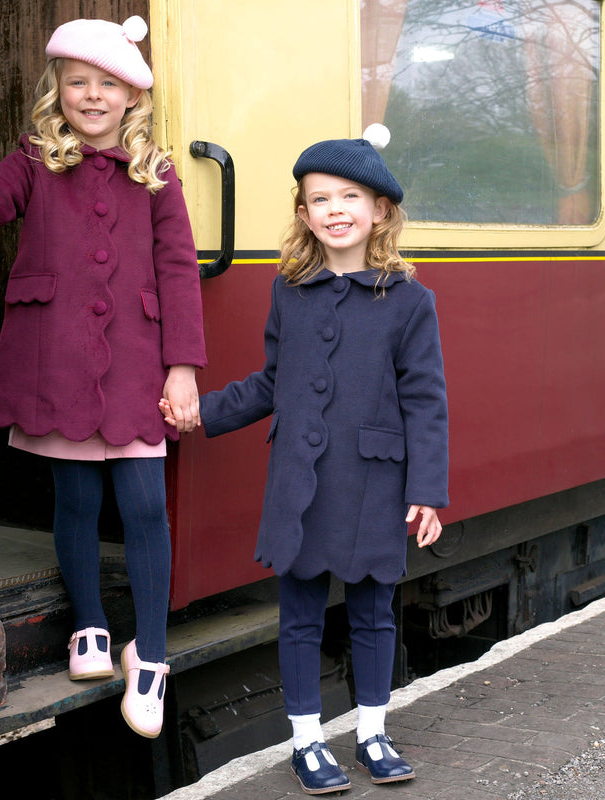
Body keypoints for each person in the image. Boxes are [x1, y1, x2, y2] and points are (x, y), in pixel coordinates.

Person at [163, 129, 448, 793]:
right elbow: (272, 381)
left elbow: (427, 402)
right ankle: (306, 743)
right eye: (320, 198)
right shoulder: (289, 291)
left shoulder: (411, 301)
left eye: (351, 196)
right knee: (298, 613)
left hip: (376, 480)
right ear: (303, 214)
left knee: (375, 612)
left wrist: (428, 489)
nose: (336, 208)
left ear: (381, 210)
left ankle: (373, 733)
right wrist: (204, 411)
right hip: (301, 482)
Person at [0, 16, 206, 740]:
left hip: (136, 364)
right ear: (57, 90)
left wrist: (184, 369)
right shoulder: (36, 159)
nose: (91, 96)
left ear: (133, 96)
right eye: (77, 83)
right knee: (72, 499)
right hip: (58, 361)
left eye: (108, 85)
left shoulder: (155, 172)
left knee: (143, 506)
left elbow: (179, 272)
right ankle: (91, 628)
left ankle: (151, 655)